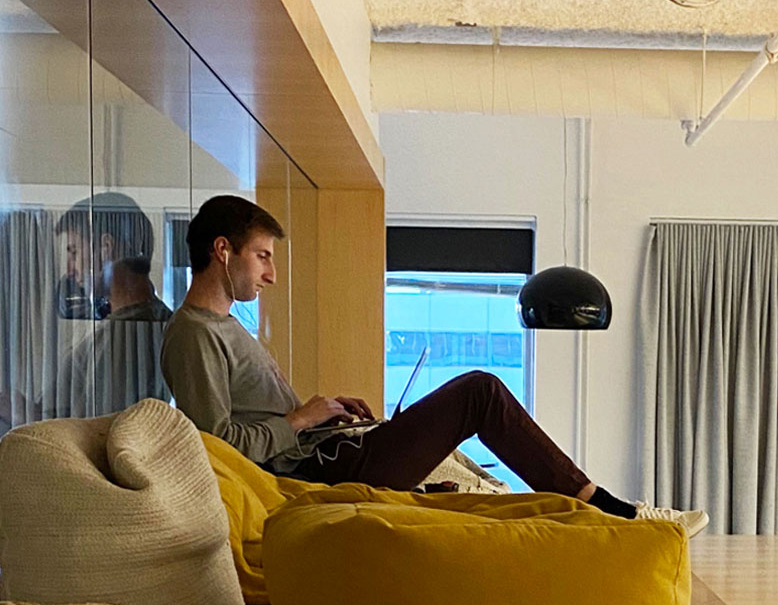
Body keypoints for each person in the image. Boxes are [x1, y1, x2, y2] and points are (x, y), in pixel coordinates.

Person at [160, 194, 707, 536]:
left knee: (473, 427)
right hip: (323, 473)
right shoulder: (194, 333)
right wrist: (301, 420)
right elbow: (217, 445)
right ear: (223, 250)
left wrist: (322, 414)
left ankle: (595, 509)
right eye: (263, 256)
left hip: (330, 451)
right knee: (480, 392)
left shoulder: (228, 327)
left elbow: (255, 421)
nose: (272, 274)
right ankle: (610, 509)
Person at [55, 193, 173, 417]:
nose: (70, 270)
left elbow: (101, 427)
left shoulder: (134, 335)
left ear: (106, 247)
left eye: (74, 252)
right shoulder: (129, 326)